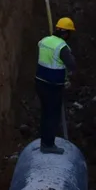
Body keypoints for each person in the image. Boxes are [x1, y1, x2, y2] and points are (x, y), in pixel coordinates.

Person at [35, 17, 77, 154]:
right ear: (65, 33)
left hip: (40, 82)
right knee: (52, 115)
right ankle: (48, 145)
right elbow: (72, 65)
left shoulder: (44, 41)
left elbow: (42, 47)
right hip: (53, 86)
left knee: (45, 113)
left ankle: (44, 141)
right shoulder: (62, 47)